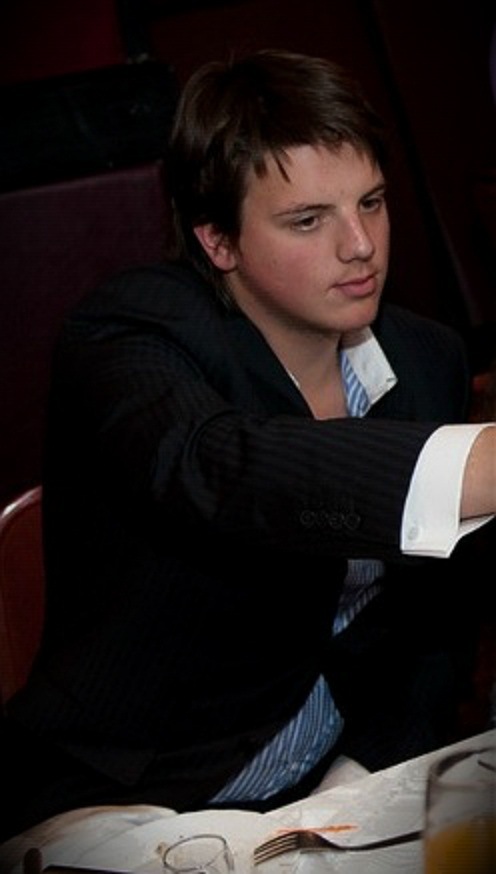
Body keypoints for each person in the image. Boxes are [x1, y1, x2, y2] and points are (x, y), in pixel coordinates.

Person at [1, 48, 495, 843]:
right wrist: (476, 466)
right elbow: (222, 466)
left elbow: (430, 631)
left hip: (326, 790)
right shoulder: (129, 332)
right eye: (308, 220)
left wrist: (349, 798)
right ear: (218, 241)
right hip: (128, 798)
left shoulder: (426, 357)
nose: (361, 244)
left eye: (371, 203)